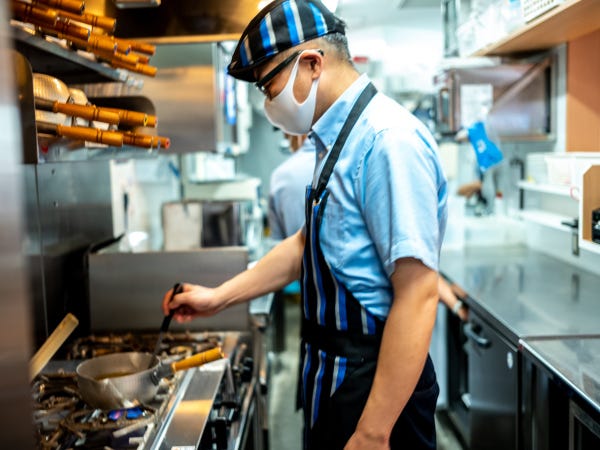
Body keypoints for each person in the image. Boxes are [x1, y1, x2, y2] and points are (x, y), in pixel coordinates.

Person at [162, 1, 447, 449]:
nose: (268, 102)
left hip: (374, 389)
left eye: (269, 85)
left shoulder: (387, 141)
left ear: (312, 63)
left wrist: (373, 432)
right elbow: (306, 244)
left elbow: (418, 293)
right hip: (336, 378)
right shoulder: (335, 139)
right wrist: (218, 298)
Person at [269, 133, 315, 240]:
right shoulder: (342, 163)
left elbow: (277, 241)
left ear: (298, 134)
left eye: (287, 136)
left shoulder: (280, 176)